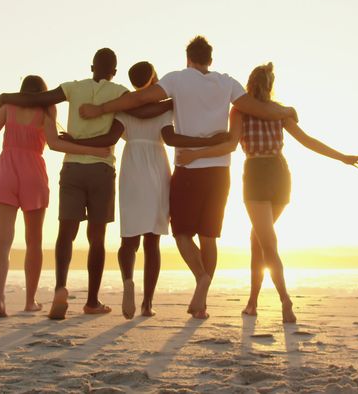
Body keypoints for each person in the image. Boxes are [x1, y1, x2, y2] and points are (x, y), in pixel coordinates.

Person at [79, 36, 296, 319]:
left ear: (188, 59)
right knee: (209, 237)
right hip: (220, 170)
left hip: (187, 167)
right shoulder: (227, 82)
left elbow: (141, 97)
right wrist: (286, 111)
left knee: (182, 233)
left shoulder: (177, 79)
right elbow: (257, 108)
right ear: (210, 60)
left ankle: (200, 277)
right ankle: (201, 303)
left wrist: (99, 109)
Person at [178, 62, 358, 323]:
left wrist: (195, 154)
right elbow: (308, 140)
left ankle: (285, 300)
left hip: (257, 174)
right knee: (258, 238)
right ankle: (253, 302)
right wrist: (342, 157)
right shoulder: (279, 112)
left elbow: (231, 145)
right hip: (280, 173)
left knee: (267, 242)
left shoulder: (239, 112)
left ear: (250, 84)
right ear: (270, 86)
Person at [0, 48, 162, 320]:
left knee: (66, 232)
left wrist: (6, 97)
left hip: (72, 167)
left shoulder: (73, 88)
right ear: (115, 71)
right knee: (96, 238)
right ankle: (92, 301)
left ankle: (61, 287)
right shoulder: (120, 92)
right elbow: (144, 110)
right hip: (102, 168)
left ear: (91, 67)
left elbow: (39, 98)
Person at [0, 75, 112, 318]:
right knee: (34, 241)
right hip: (33, 174)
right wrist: (92, 150)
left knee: (2, 241)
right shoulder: (45, 112)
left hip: (6, 171)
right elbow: (55, 145)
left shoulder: (8, 108)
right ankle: (30, 301)